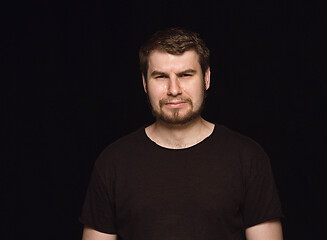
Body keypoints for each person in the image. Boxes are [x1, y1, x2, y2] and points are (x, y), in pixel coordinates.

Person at [80, 27, 283, 240]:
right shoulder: (113, 162)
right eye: (160, 76)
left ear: (206, 78)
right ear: (144, 83)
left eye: (185, 75)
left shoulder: (247, 157)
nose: (174, 89)